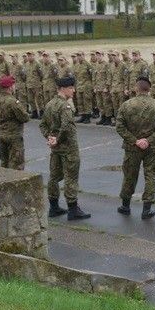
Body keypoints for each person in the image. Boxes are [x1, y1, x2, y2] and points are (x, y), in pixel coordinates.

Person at [115, 77, 155, 220]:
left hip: (132, 148)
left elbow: (119, 126)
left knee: (129, 176)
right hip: (151, 148)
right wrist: (148, 140)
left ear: (136, 88)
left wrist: (135, 141)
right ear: (149, 89)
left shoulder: (126, 105)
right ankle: (147, 209)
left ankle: (125, 206)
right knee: (150, 176)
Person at [40, 75, 90, 220]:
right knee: (71, 177)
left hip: (56, 148)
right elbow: (67, 126)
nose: (73, 91)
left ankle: (54, 207)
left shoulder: (50, 104)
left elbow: (42, 124)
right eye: (70, 88)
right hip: (68, 147)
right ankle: (73, 209)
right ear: (62, 89)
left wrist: (49, 137)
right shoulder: (65, 105)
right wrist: (57, 139)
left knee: (54, 177)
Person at [0, 75, 29, 170]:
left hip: (1, 134)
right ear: (10, 87)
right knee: (16, 164)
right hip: (14, 136)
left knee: (4, 162)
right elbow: (24, 117)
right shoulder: (13, 102)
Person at [24, 51, 43, 119]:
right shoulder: (26, 64)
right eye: (28, 56)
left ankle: (41, 113)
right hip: (29, 85)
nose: (29, 57)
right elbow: (26, 75)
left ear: (33, 56)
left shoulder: (37, 64)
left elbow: (41, 74)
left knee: (39, 100)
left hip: (36, 85)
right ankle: (34, 112)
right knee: (30, 99)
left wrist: (38, 82)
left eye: (30, 55)